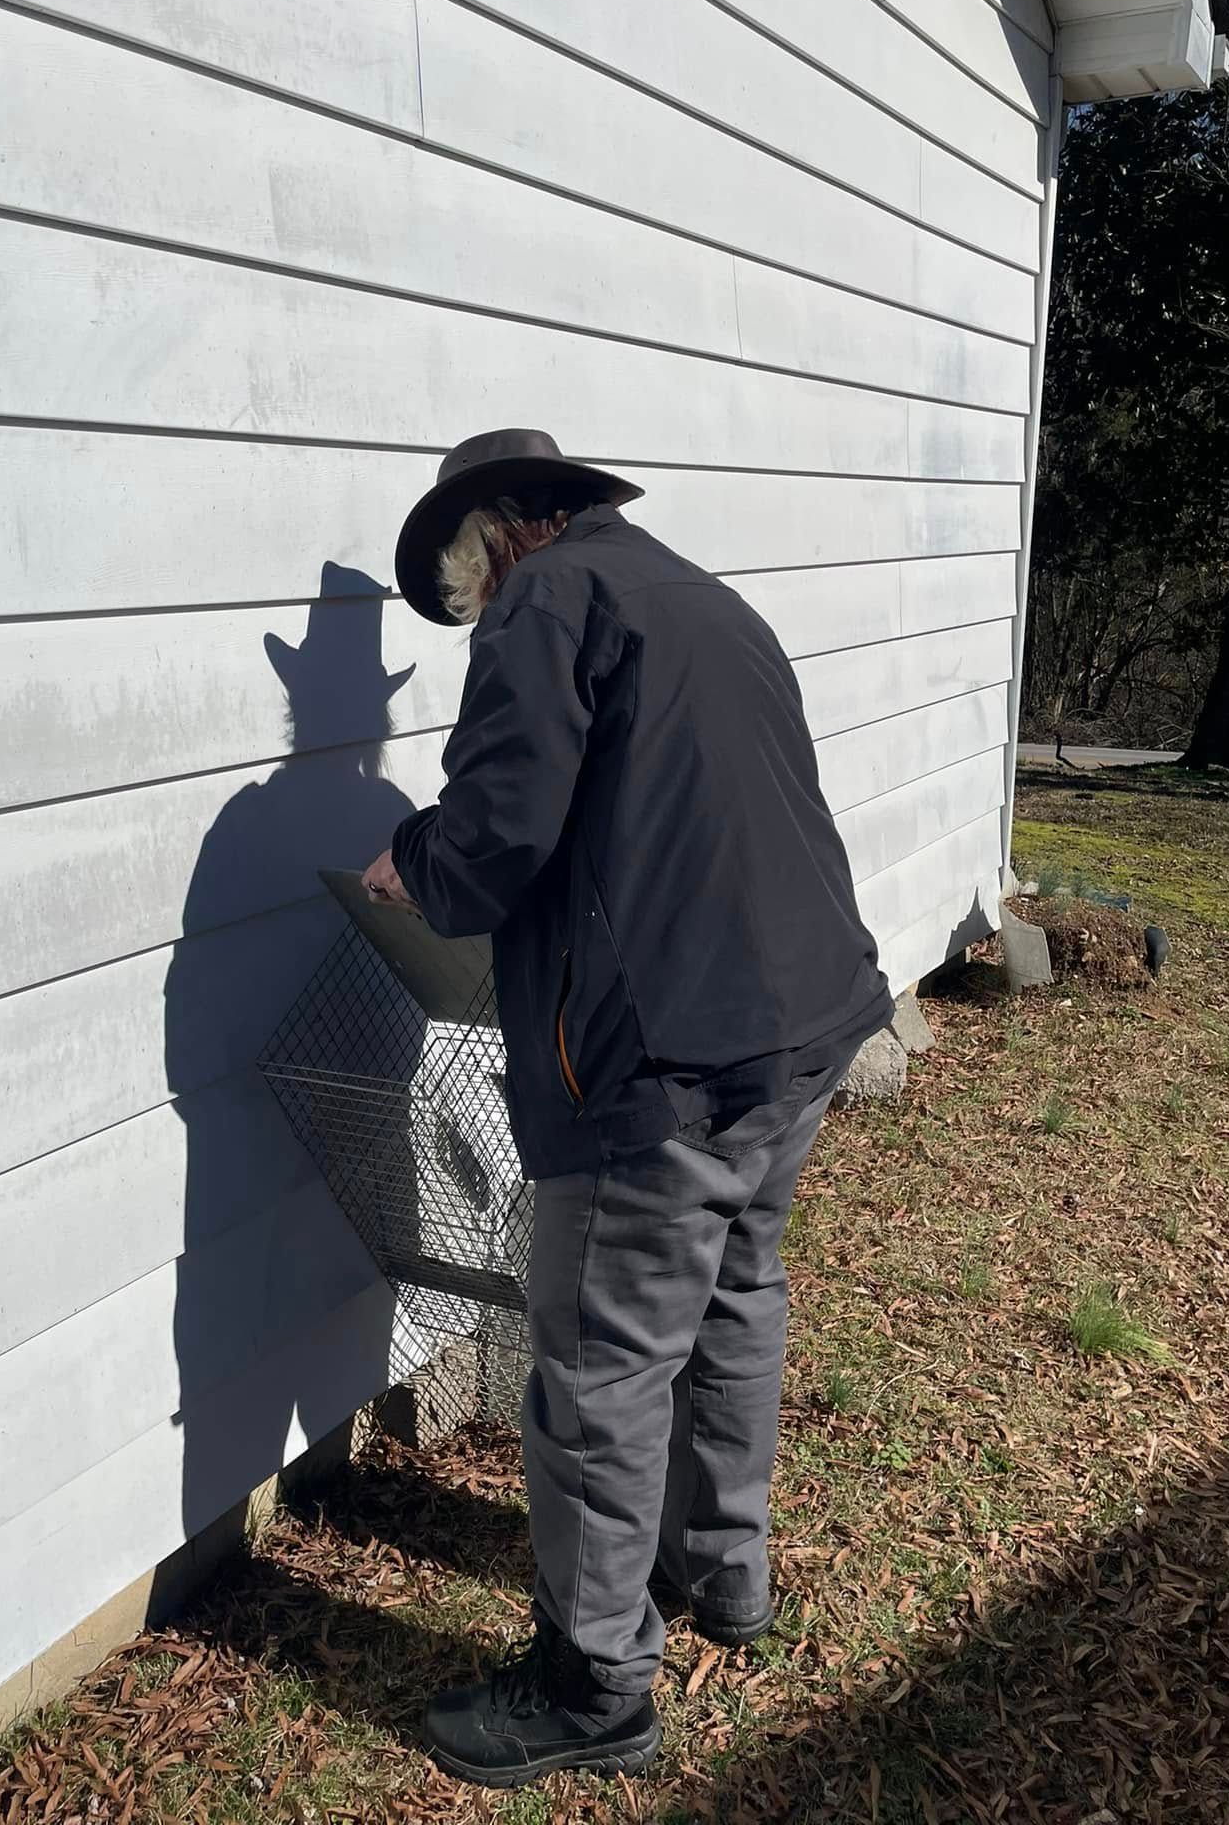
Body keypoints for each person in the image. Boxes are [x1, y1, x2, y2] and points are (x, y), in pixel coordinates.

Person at [362, 428, 892, 1787]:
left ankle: (594, 1685)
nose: (471, 605)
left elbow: (490, 848)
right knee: (734, 1303)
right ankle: (723, 1578)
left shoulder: (550, 600)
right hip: (805, 1024)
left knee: (599, 1371)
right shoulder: (704, 597)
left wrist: (407, 859)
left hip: (667, 1064)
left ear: (504, 533)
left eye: (461, 578)